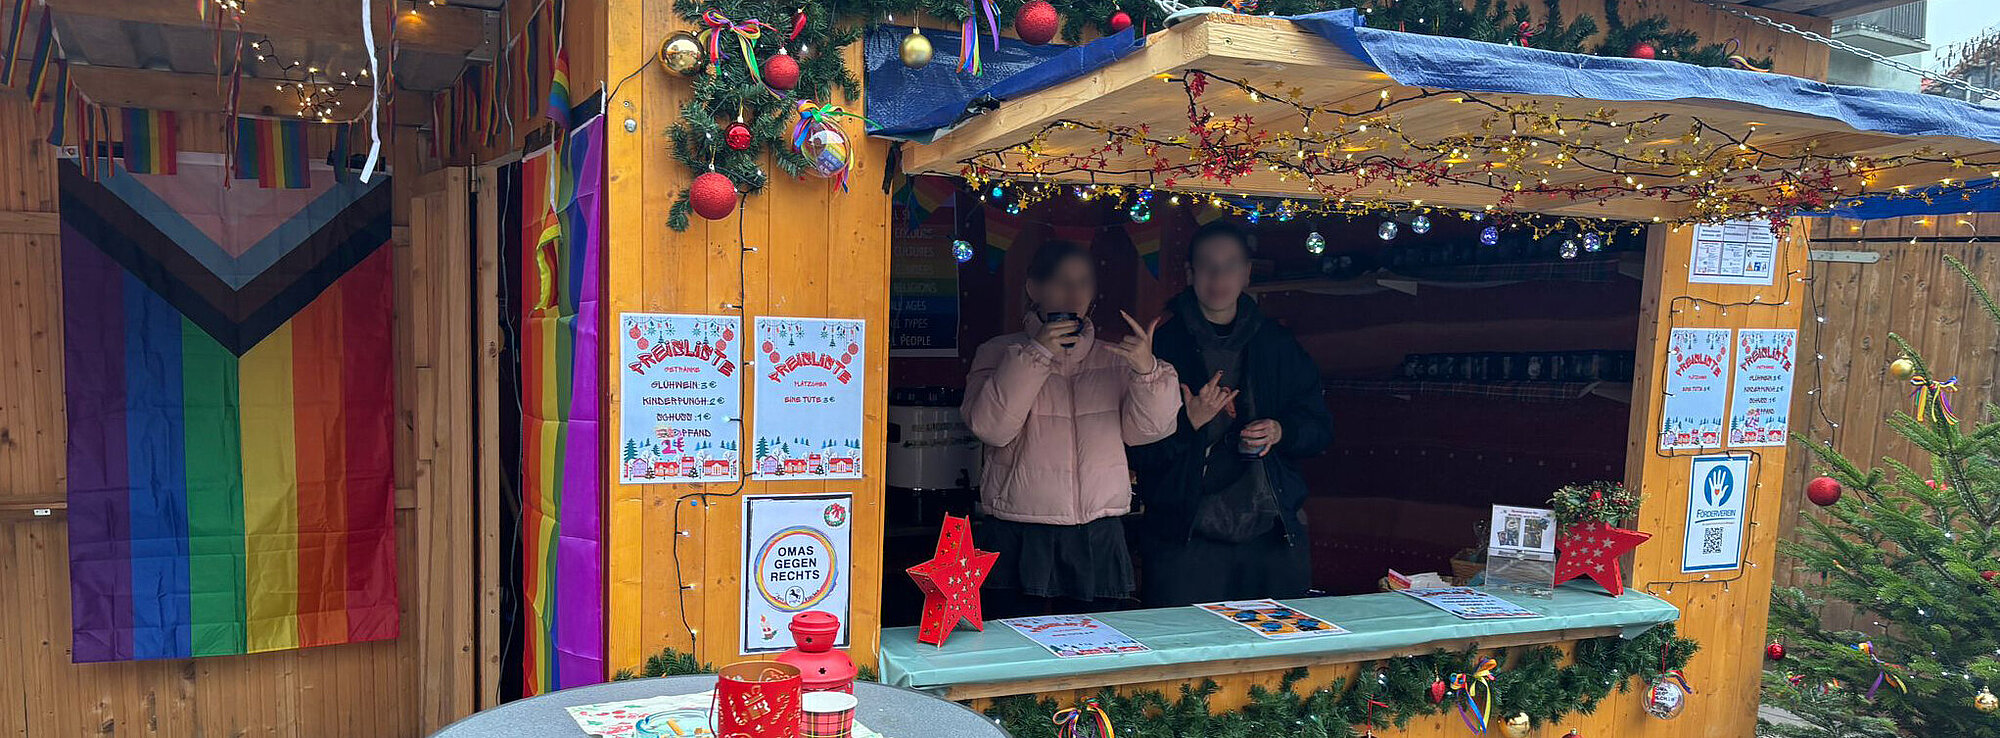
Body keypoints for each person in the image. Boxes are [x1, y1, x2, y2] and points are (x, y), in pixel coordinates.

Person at [962, 241, 1181, 617]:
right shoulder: (998, 352)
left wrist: (1147, 371)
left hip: (1098, 528)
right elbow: (991, 428)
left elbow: (1149, 431)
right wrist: (1037, 353)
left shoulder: (1116, 358)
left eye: (1084, 282)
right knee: (1016, 641)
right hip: (1020, 527)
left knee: (1095, 643)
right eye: (1062, 281)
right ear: (1034, 288)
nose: (1073, 293)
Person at [1130, 220, 1334, 607]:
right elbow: (1139, 453)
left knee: (1276, 642)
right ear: (1190, 273)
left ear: (1247, 273)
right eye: (1207, 266)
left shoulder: (1277, 344)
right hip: (1186, 536)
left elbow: (1319, 428)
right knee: (1185, 642)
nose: (1218, 277)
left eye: (1229, 266)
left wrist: (1281, 430)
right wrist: (1189, 424)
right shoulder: (1163, 347)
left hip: (1270, 531)